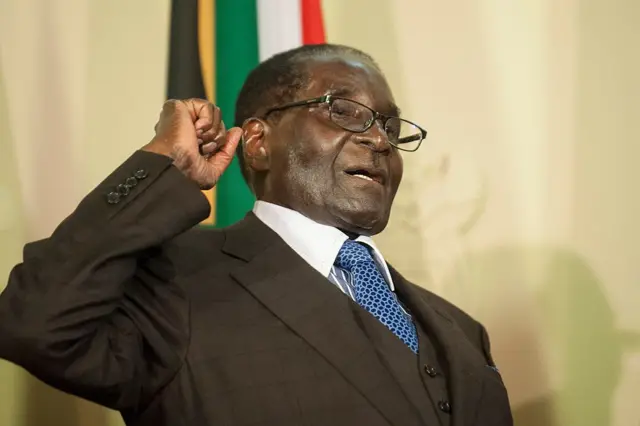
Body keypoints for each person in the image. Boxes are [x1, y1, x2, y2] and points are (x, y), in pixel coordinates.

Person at [0, 44, 512, 426]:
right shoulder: (176, 283)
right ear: (259, 142)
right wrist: (166, 164)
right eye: (345, 111)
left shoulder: (462, 331)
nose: (379, 139)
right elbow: (33, 324)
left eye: (390, 127)